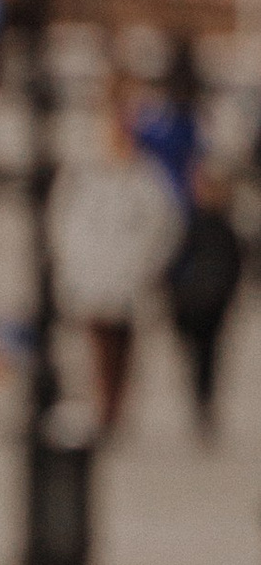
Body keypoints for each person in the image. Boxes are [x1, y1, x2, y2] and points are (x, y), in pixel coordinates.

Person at [53, 110, 183, 437]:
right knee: (97, 344)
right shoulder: (86, 175)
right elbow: (66, 223)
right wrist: (73, 264)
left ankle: (114, 408)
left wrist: (145, 264)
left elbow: (164, 226)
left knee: (122, 347)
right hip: (93, 277)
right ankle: (102, 406)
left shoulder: (146, 179)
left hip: (129, 278)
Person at [162, 159, 244, 441]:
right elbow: (173, 262)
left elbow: (235, 265)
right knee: (198, 356)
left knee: (208, 356)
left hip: (213, 302)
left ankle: (204, 403)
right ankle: (200, 400)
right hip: (191, 302)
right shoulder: (191, 223)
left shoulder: (226, 226)